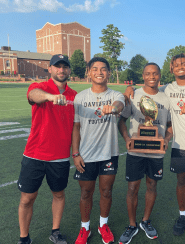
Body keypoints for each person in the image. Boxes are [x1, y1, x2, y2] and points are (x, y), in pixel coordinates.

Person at [124, 53, 185, 243]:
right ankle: (182, 216)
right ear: (171, 68)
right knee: (181, 182)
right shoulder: (167, 89)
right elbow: (149, 91)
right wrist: (130, 87)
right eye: (176, 65)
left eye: (184, 63)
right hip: (179, 145)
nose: (180, 67)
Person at [17, 54, 77, 244]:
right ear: (49, 69)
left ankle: (55, 231)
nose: (61, 70)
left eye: (64, 67)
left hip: (60, 157)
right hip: (34, 154)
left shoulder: (74, 96)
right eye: (57, 66)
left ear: (69, 70)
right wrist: (51, 97)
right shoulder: (39, 87)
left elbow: (78, 127)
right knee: (27, 198)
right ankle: (24, 237)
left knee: (58, 194)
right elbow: (32, 96)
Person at [117, 63, 173, 244]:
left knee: (152, 186)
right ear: (143, 75)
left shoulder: (166, 98)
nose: (151, 76)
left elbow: (170, 125)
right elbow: (122, 121)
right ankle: (132, 225)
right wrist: (126, 138)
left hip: (156, 152)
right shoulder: (134, 95)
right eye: (148, 73)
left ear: (159, 75)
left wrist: (166, 139)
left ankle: (145, 221)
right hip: (136, 151)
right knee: (132, 188)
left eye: (155, 73)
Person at [72, 57, 125, 244]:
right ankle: (84, 228)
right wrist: (76, 154)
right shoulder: (80, 97)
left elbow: (120, 105)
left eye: (103, 69)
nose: (99, 72)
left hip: (108, 154)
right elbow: (76, 127)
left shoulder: (115, 95)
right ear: (89, 72)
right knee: (86, 193)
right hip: (86, 156)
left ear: (109, 73)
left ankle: (103, 225)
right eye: (95, 69)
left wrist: (114, 108)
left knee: (106, 191)